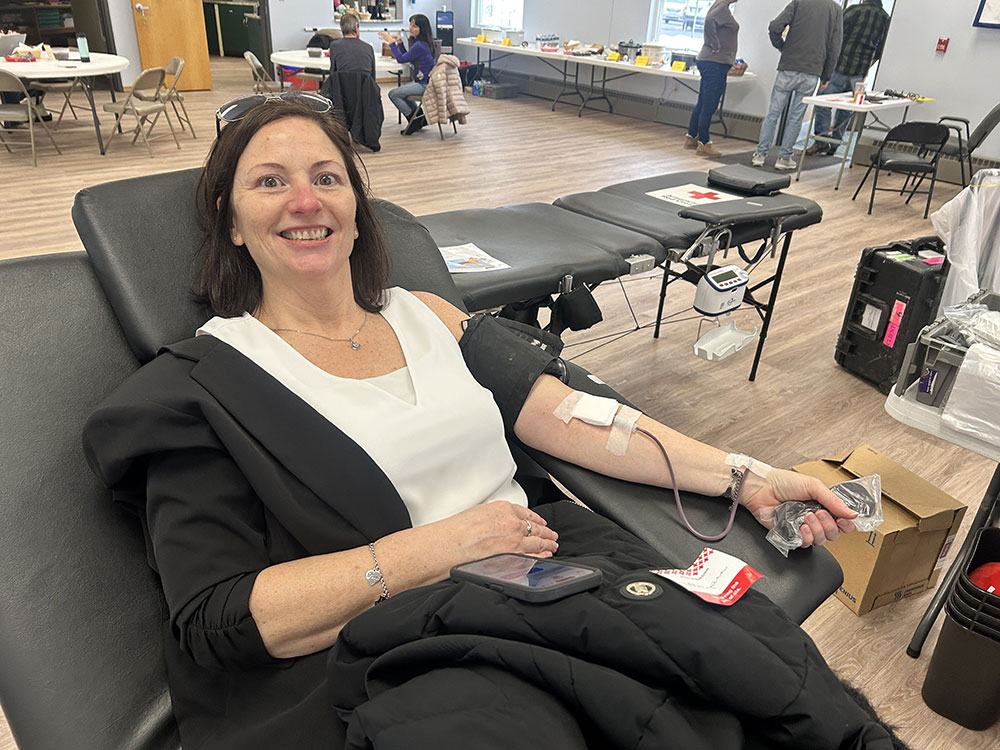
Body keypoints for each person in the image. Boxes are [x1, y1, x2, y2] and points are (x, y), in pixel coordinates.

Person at [83, 95, 904, 750]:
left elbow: (578, 420)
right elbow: (223, 621)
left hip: (550, 573)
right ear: (230, 221)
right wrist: (442, 547)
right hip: (399, 644)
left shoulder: (428, 314)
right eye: (269, 182)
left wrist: (747, 475)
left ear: (358, 208)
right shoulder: (204, 385)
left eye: (327, 177)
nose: (305, 201)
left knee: (754, 673)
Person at [752, 0, 843, 170]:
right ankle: (784, 157)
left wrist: (782, 47)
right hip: (812, 70)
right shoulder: (836, 10)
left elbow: (775, 27)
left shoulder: (799, 2)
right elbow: (835, 47)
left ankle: (760, 154)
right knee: (796, 117)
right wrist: (826, 75)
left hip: (788, 66)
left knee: (773, 113)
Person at [806, 0, 891, 156]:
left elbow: (835, 37)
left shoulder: (854, 11)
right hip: (859, 73)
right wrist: (866, 69)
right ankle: (835, 143)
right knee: (847, 109)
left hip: (840, 67)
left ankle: (821, 141)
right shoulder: (886, 19)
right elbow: (880, 51)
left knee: (822, 101)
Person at [685, 0, 740, 158]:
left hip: (712, 62)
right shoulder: (722, 7)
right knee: (709, 104)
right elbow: (709, 21)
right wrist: (715, 44)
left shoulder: (720, 5)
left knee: (703, 101)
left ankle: (691, 137)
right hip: (714, 63)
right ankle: (704, 143)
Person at [378, 14, 436, 126]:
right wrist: (399, 43)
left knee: (393, 94)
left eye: (414, 26)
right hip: (425, 82)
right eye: (410, 24)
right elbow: (407, 57)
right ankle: (419, 117)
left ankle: (413, 120)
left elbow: (401, 59)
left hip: (424, 85)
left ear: (422, 29)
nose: (410, 28)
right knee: (403, 92)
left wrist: (391, 43)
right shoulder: (424, 43)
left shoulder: (419, 45)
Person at [328, 11, 376, 78]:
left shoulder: (334, 46)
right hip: (365, 87)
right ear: (356, 28)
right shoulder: (369, 48)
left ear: (342, 29)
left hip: (342, 86)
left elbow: (333, 73)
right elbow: (372, 77)